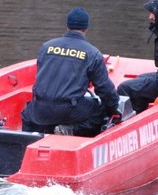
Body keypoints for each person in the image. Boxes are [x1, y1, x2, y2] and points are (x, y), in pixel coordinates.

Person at [21, 7, 122, 137]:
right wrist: (114, 108)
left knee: (28, 113)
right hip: (70, 111)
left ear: (67, 26)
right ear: (86, 29)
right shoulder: (92, 53)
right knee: (99, 111)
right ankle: (71, 129)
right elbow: (104, 89)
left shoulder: (46, 47)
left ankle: (27, 141)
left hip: (41, 108)